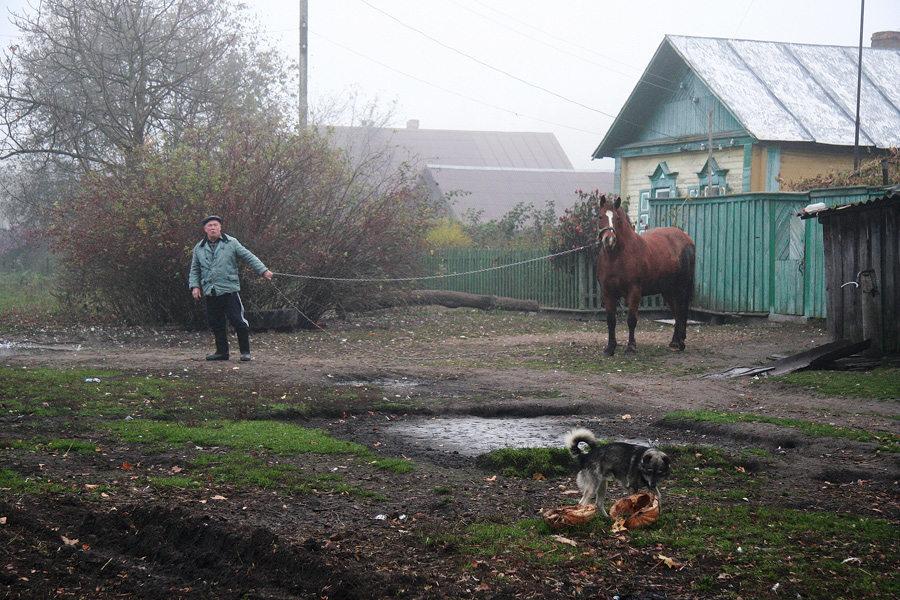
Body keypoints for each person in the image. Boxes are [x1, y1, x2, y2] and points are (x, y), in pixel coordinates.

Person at [189, 215, 273, 361]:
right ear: (205, 229)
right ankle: (222, 353)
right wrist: (195, 287)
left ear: (220, 228)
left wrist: (263, 270)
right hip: (210, 290)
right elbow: (195, 269)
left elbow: (248, 257)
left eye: (215, 225)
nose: (213, 228)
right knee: (215, 322)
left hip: (229, 289)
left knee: (237, 320)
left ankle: (245, 352)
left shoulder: (231, 243)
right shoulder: (199, 248)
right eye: (210, 226)